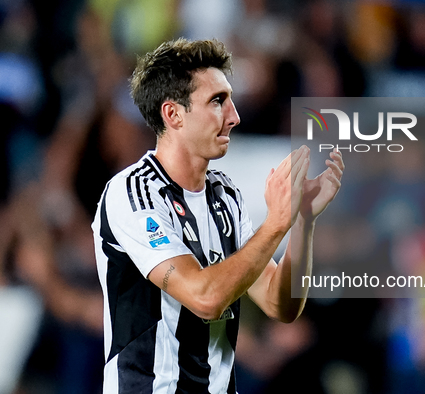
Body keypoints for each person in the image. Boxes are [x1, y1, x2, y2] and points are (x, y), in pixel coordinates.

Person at [91, 38, 344, 393]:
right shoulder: (133, 194)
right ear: (173, 114)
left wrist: (302, 221)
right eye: (217, 102)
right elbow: (204, 299)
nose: (234, 116)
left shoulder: (226, 197)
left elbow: (280, 303)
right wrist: (275, 223)